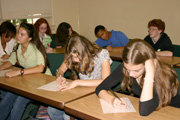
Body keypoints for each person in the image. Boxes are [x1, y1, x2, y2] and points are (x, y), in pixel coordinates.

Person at [95, 39, 180, 116]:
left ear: (148, 63)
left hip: (173, 113)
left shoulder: (163, 77)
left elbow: (144, 111)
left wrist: (150, 72)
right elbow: (100, 88)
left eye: (136, 70)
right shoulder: (128, 67)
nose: (131, 74)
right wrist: (112, 100)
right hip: (154, 112)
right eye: (128, 69)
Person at [47, 35, 112, 120]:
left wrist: (77, 82)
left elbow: (105, 81)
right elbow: (60, 70)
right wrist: (60, 76)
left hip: (98, 93)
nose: (75, 60)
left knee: (67, 116)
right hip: (81, 93)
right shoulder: (73, 55)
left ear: (85, 50)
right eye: (73, 57)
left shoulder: (102, 54)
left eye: (77, 57)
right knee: (52, 110)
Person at [0, 22, 51, 120]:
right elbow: (11, 61)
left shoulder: (36, 47)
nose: (18, 36)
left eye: (22, 34)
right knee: (8, 98)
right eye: (18, 33)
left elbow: (40, 68)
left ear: (30, 38)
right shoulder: (18, 46)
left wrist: (19, 72)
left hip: (42, 81)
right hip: (27, 80)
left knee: (18, 103)